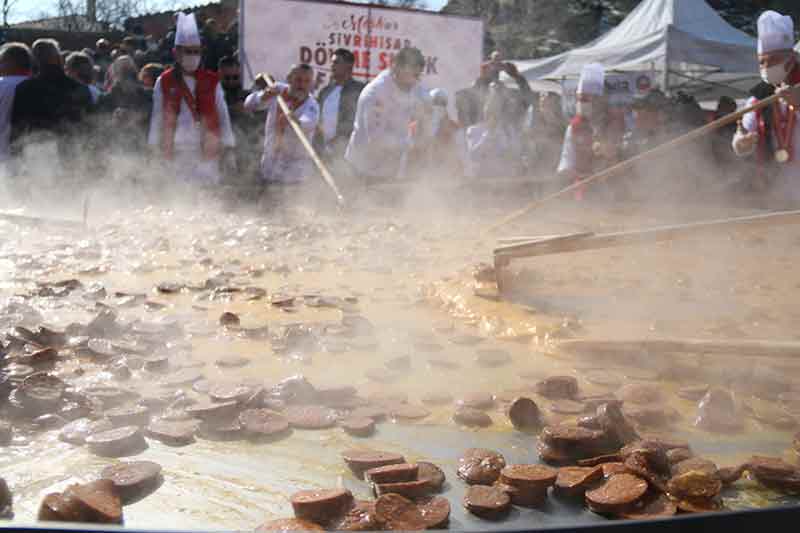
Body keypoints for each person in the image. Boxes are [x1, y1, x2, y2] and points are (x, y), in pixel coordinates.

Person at [147, 12, 235, 186]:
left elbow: (223, 114)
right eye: (188, 51)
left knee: (207, 198)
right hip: (175, 152)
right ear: (177, 53)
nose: (193, 56)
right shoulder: (164, 81)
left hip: (207, 152)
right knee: (177, 198)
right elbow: (157, 116)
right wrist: (152, 147)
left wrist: (229, 146)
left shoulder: (212, 80)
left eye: (196, 52)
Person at [733, 10, 800, 198]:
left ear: (791, 59)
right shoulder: (758, 97)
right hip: (774, 193)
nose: (767, 67)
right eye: (762, 62)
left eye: (774, 60)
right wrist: (741, 143)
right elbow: (743, 133)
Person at [346, 46, 430, 182]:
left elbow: (424, 102)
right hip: (364, 169)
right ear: (396, 68)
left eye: (418, 75)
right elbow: (376, 140)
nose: (415, 80)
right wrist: (411, 144)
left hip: (392, 168)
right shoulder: (375, 94)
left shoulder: (412, 85)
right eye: (412, 75)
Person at [11, 39, 94, 172]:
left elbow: (17, 126)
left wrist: (16, 155)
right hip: (71, 151)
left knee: (41, 191)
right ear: (59, 58)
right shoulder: (79, 88)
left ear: (35, 60)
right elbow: (90, 125)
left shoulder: (25, 88)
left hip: (38, 152)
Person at [244, 64, 319, 184]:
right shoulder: (277, 91)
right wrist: (263, 96)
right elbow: (248, 105)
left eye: (307, 81)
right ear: (289, 79)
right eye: (298, 80)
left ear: (311, 84)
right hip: (269, 166)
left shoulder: (312, 105)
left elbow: (309, 123)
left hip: (295, 173)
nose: (302, 85)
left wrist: (296, 121)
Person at [557, 63, 607, 199]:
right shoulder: (574, 127)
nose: (581, 104)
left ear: (598, 101)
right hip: (582, 187)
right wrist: (575, 175)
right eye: (580, 99)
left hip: (611, 187)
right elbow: (567, 159)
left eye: (586, 99)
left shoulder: (609, 123)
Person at [315, 48, 365, 161]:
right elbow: (317, 119)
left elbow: (359, 120)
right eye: (332, 62)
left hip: (347, 151)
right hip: (323, 151)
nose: (332, 66)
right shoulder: (325, 91)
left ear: (349, 65)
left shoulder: (359, 90)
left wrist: (339, 139)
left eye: (336, 62)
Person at [0, 43, 32, 171]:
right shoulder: (39, 86)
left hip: (4, 158)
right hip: (32, 161)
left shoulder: (2, 85)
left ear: (8, 63)